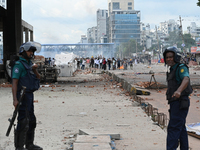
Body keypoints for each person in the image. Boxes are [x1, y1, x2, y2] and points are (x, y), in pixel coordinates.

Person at [12, 42, 43, 150]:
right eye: (29, 51)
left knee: (31, 120)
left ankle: (29, 144)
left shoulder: (30, 64)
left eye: (33, 51)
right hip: (22, 96)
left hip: (29, 96)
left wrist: (35, 70)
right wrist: (15, 99)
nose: (31, 53)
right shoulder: (19, 65)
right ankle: (19, 147)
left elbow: (38, 78)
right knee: (23, 121)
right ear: (23, 51)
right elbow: (14, 83)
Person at [163, 47, 193, 150]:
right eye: (167, 57)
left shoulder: (181, 67)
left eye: (171, 57)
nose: (169, 59)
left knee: (173, 128)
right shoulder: (172, 69)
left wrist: (179, 91)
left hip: (180, 103)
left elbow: (186, 79)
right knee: (181, 128)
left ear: (176, 57)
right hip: (174, 103)